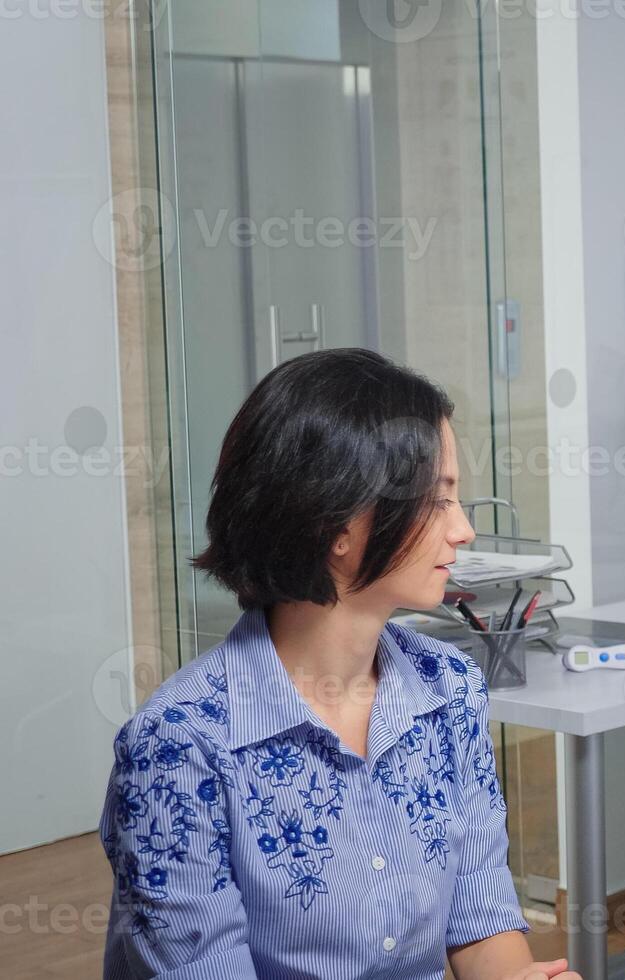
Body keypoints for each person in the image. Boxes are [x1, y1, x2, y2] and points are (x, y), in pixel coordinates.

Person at [99, 350, 579, 980]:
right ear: (336, 524)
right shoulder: (179, 747)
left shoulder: (449, 689)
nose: (462, 529)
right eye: (438, 501)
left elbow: (480, 916)